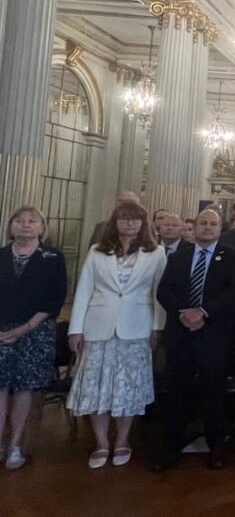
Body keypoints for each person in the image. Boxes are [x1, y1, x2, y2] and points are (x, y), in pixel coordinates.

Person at [67, 201, 166, 469]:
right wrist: (75, 328)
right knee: (97, 387)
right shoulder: (97, 251)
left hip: (136, 326)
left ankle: (122, 440)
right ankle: (101, 442)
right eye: (124, 218)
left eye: (135, 219)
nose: (129, 223)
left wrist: (157, 326)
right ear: (115, 222)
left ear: (143, 223)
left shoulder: (156, 253)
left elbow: (158, 293)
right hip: (98, 325)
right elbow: (84, 290)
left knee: (128, 388)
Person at [152, 209, 235, 471]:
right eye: (202, 223)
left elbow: (234, 291)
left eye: (212, 224)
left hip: (213, 332)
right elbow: (163, 290)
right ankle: (171, 447)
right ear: (192, 227)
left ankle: (216, 447)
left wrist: (203, 312)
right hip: (180, 331)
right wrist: (185, 313)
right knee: (176, 392)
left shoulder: (233, 256)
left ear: (220, 228)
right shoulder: (180, 255)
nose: (207, 227)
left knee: (213, 392)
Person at [0, 207, 67, 470]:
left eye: (32, 221)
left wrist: (25, 327)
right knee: (0, 386)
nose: (25, 225)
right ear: (11, 225)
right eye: (19, 220)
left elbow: (55, 297)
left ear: (42, 227)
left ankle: (16, 444)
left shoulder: (52, 257)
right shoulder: (2, 255)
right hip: (1, 329)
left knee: (25, 388)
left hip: (35, 331)